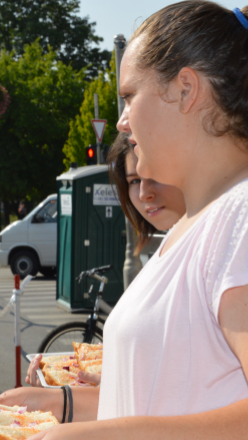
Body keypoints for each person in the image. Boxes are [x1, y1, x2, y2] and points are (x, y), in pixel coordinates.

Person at [0, 2, 248, 440]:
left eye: (129, 95)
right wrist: (59, 406)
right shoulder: (204, 220)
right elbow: (170, 398)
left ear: (185, 90)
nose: (122, 122)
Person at [25, 133, 185, 387]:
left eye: (155, 176)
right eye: (134, 180)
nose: (144, 193)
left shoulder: (214, 245)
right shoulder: (170, 243)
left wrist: (96, 394)